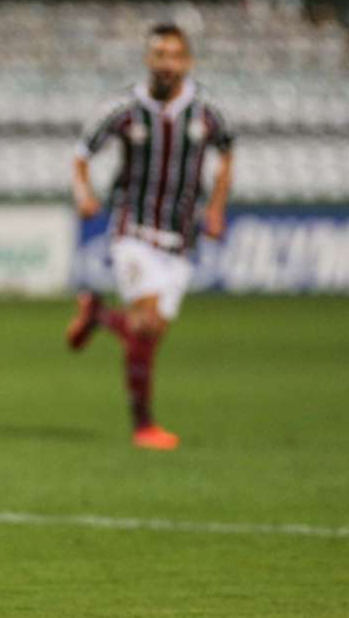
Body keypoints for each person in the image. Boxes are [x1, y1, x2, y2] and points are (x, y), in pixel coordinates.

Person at [66, 23, 234, 451]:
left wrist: (215, 208)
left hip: (181, 239)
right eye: (159, 55)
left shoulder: (206, 111)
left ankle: (98, 315)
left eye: (174, 55)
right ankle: (143, 426)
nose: (166, 64)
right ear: (148, 59)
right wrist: (84, 196)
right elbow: (82, 153)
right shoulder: (124, 108)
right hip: (133, 229)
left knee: (149, 333)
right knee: (147, 322)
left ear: (187, 61)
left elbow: (226, 151)